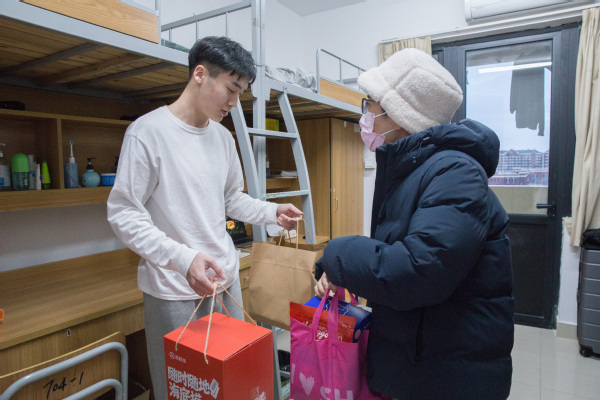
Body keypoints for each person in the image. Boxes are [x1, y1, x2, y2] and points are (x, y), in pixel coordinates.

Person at [107, 36, 302, 399]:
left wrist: (271, 211)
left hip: (225, 281)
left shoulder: (223, 139)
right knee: (183, 389)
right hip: (174, 290)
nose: (234, 102)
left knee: (235, 387)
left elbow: (231, 198)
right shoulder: (147, 133)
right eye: (231, 89)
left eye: (241, 93)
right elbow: (123, 213)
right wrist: (184, 259)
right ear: (200, 74)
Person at [314, 48, 514, 400]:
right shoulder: (417, 170)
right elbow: (398, 249)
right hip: (421, 363)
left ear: (400, 115)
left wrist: (337, 254)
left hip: (449, 377)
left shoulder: (456, 174)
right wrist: (342, 271)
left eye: (370, 105)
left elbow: (418, 270)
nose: (365, 116)